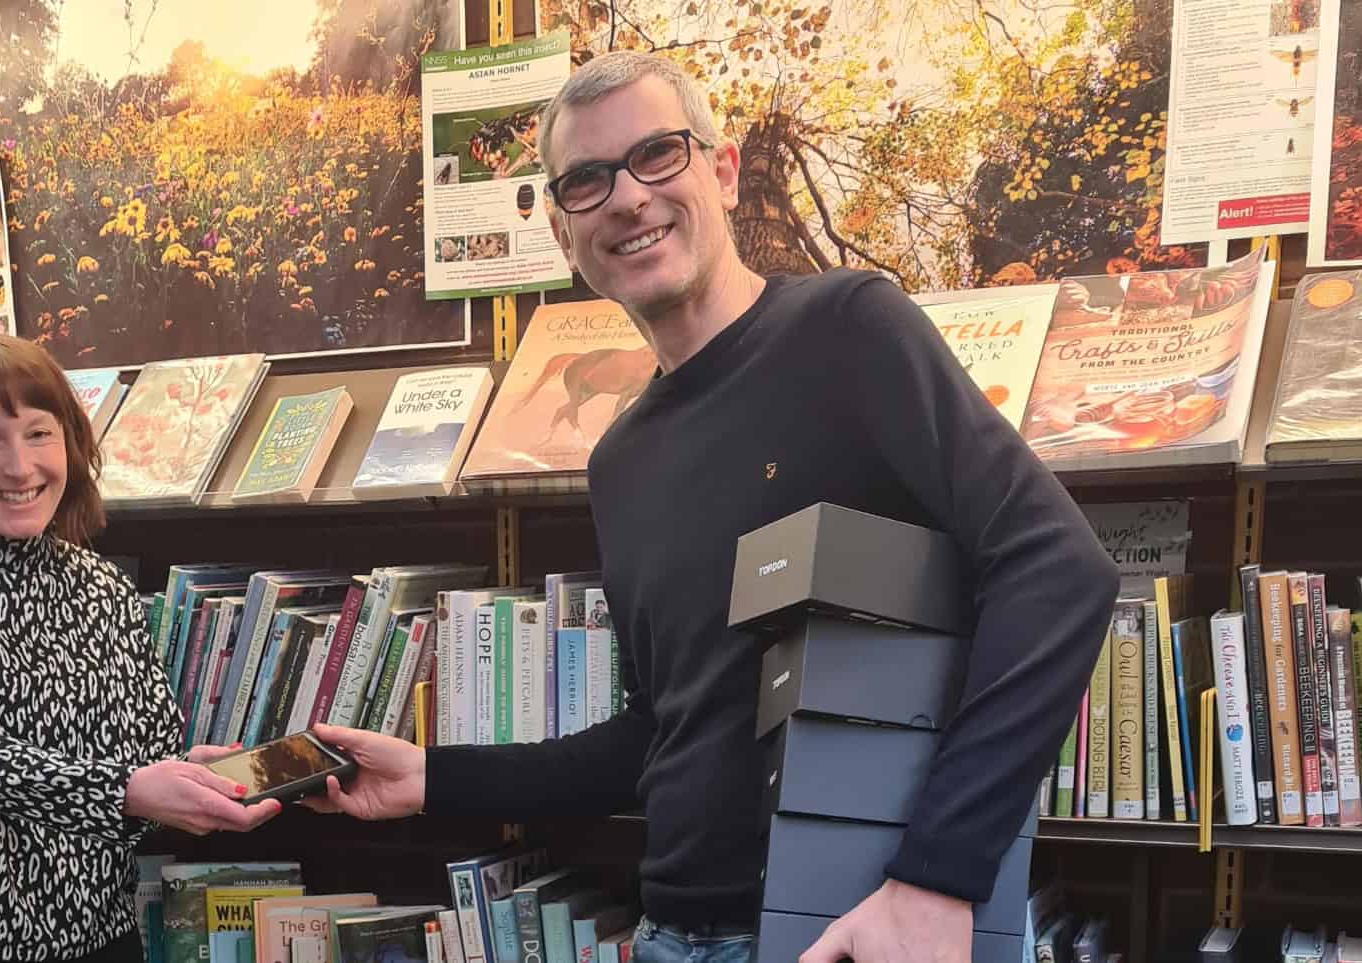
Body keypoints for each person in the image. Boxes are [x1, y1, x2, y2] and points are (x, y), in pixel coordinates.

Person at [306, 51, 1118, 963]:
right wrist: (435, 777)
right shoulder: (619, 461)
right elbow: (665, 730)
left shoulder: (851, 330)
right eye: (587, 180)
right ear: (563, 233)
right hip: (670, 933)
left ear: (722, 172)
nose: (627, 197)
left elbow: (1059, 571)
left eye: (658, 154)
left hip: (847, 932)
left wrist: (941, 874)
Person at [0, 334, 280, 963]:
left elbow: (144, 753)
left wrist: (189, 775)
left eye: (40, 433)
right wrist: (131, 790)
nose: (21, 467)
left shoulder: (102, 583)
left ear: (72, 446)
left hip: (102, 939)